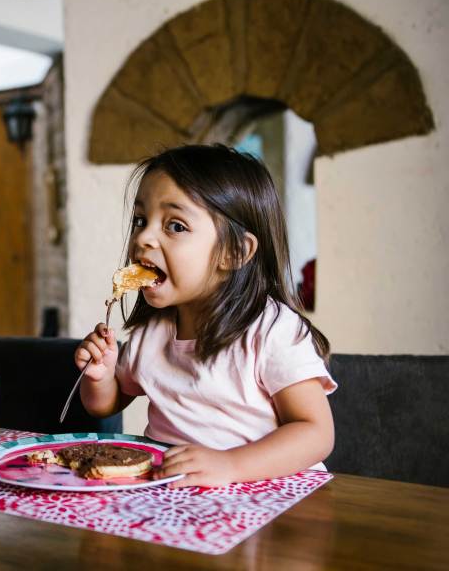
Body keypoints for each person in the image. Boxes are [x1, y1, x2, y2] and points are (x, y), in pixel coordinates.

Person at [75, 144, 336, 488]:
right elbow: (105, 405)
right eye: (141, 220)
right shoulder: (152, 332)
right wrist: (99, 376)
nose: (143, 237)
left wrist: (231, 465)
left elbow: (316, 432)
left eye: (176, 226)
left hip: (268, 501)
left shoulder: (272, 331)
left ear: (234, 251)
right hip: (177, 500)